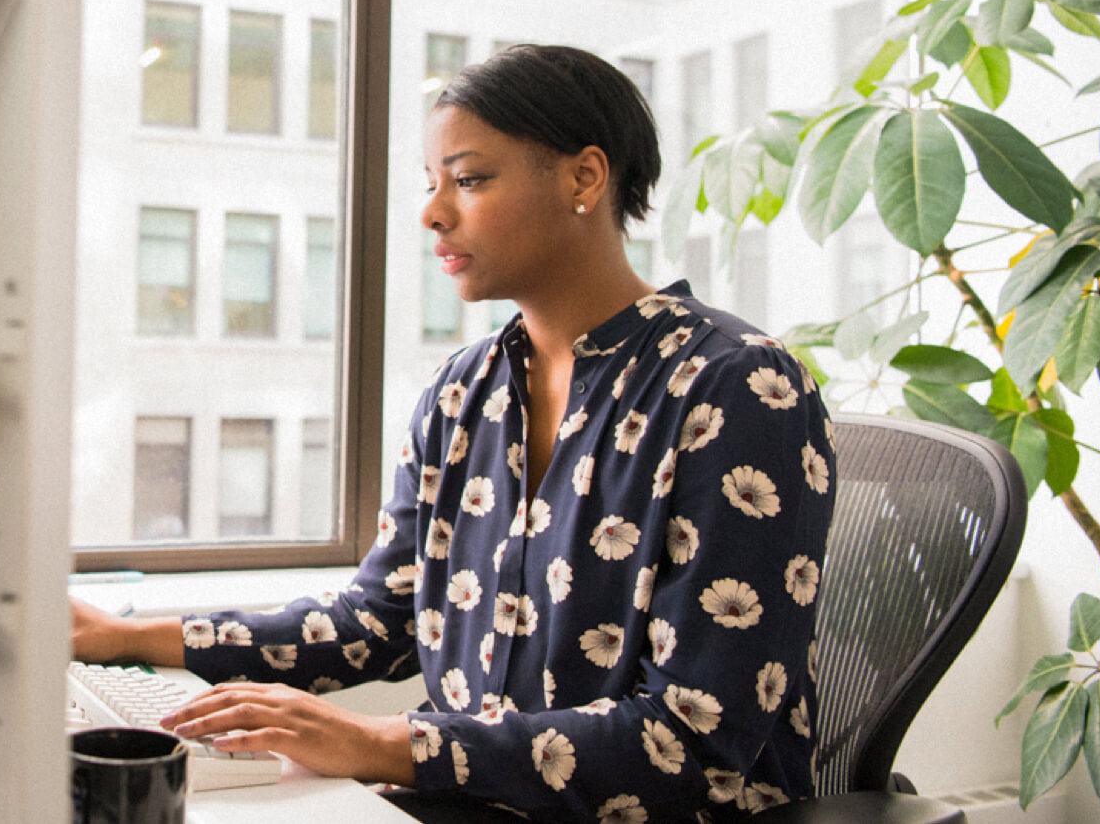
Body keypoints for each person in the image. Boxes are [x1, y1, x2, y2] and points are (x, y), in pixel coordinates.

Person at [71, 44, 835, 822]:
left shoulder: (740, 386)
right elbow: (374, 624)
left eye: (468, 180)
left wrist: (382, 744)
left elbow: (691, 743)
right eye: (432, 184)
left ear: (584, 178)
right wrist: (120, 637)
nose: (433, 212)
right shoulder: (465, 390)